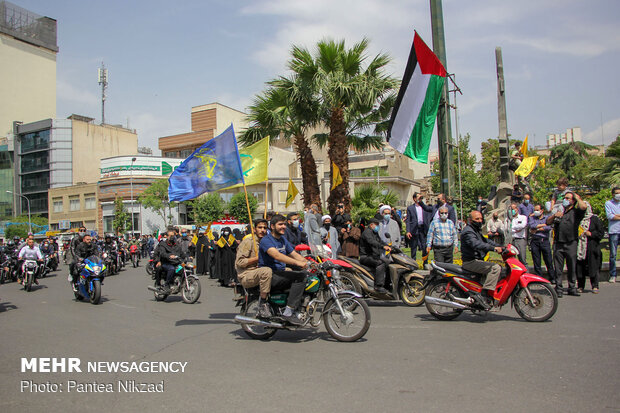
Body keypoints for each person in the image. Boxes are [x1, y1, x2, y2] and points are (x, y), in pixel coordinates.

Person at [259, 214, 309, 325]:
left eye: (284, 224)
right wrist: (298, 263)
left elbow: (294, 254)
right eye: (280, 224)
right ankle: (288, 312)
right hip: (271, 275)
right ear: (272, 226)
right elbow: (277, 256)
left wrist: (310, 263)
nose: (283, 227)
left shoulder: (282, 240)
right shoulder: (266, 240)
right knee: (300, 277)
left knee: (306, 275)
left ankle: (296, 306)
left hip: (280, 272)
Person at [546, 191, 587, 297]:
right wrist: (555, 215)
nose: (565, 200)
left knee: (571, 266)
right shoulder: (560, 211)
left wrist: (577, 198)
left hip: (571, 242)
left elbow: (583, 207)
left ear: (573, 201)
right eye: (565, 198)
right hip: (558, 243)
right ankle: (558, 288)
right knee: (558, 267)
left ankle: (572, 287)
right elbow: (548, 222)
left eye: (568, 198)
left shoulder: (576, 212)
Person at [461, 211, 504, 310]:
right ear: (470, 220)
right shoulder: (468, 231)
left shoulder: (475, 230)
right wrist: (493, 249)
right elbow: (476, 244)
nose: (480, 221)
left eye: (481, 219)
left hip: (477, 260)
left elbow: (485, 241)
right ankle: (484, 295)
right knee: (495, 268)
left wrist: (500, 246)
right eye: (477, 219)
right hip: (470, 262)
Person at [236, 219, 273, 318]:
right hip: (247, 274)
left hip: (261, 271)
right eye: (260, 227)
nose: (262, 230)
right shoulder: (248, 242)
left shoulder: (267, 241)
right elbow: (240, 262)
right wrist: (257, 259)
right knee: (266, 271)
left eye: (265, 228)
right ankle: (262, 303)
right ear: (254, 229)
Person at [576, 202, 604, 293]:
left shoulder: (594, 219)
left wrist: (591, 234)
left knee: (593, 266)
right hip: (580, 247)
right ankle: (580, 286)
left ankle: (595, 286)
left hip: (591, 246)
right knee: (580, 267)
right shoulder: (578, 219)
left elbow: (600, 233)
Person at [359, 218, 391, 294]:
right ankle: (378, 286)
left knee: (389, 262)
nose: (378, 226)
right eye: (376, 225)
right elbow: (372, 242)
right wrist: (382, 247)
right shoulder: (367, 233)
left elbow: (380, 241)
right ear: (371, 225)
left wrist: (388, 246)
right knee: (380, 263)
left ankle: (387, 284)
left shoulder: (374, 233)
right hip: (365, 257)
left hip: (373, 256)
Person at [528, 204, 554, 281]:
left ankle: (552, 277)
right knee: (536, 261)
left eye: (537, 210)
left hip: (544, 240)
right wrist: (543, 225)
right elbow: (531, 226)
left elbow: (548, 227)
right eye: (534, 210)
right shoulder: (532, 218)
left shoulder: (547, 218)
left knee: (548, 260)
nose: (535, 212)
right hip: (535, 240)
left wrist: (537, 229)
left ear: (542, 211)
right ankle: (539, 278)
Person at [406, 193, 433, 259]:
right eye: (418, 197)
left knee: (424, 246)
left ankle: (425, 262)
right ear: (414, 199)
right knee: (414, 247)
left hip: (423, 228)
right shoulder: (410, 208)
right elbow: (408, 220)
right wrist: (408, 231)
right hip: (414, 229)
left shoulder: (424, 207)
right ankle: (413, 262)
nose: (420, 198)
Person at [605, 187, 620, 283]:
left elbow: (614, 215)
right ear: (613, 194)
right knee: (613, 254)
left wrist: (616, 215)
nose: (618, 194)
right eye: (616, 193)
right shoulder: (608, 203)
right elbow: (610, 216)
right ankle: (613, 274)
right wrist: (615, 216)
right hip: (614, 231)